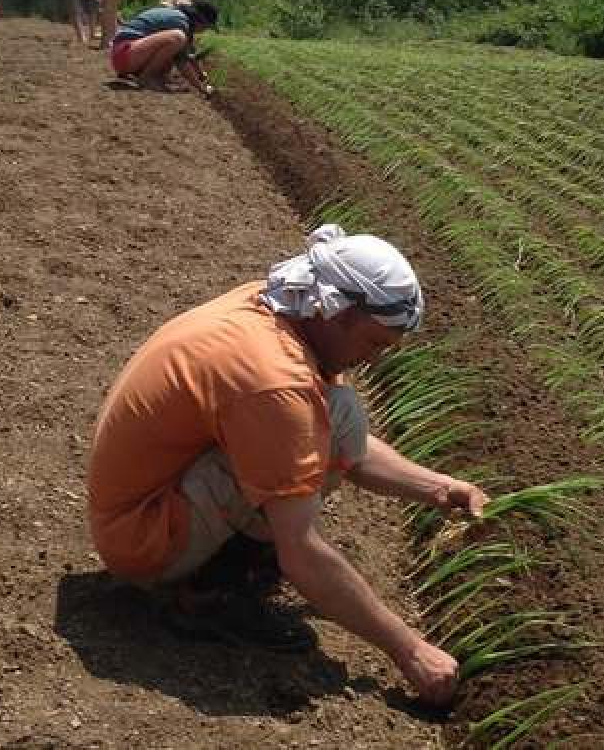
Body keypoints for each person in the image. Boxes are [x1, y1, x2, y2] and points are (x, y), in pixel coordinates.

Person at [86, 225, 486, 706]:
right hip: (142, 538)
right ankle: (208, 593)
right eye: (375, 343)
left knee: (336, 411)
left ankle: (211, 567)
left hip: (148, 496)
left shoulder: (276, 305)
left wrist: (439, 488)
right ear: (338, 313)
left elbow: (340, 441)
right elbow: (302, 549)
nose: (373, 359)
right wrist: (410, 649)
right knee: (305, 449)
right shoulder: (275, 381)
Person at [109, 0, 218, 93]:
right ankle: (146, 78)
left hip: (127, 55)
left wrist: (200, 74)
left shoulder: (178, 17)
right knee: (178, 38)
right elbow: (182, 62)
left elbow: (188, 55)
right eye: (206, 27)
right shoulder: (180, 23)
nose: (203, 31)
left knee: (176, 45)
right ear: (200, 21)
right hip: (124, 54)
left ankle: (158, 78)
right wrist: (201, 88)